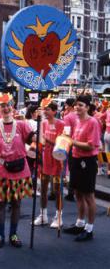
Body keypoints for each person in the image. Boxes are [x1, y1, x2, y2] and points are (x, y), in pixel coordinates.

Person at [0, 93, 33, 248]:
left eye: (8, 105)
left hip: (20, 170)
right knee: (0, 204)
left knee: (16, 203)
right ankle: (0, 235)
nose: (5, 108)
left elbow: (35, 142)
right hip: (0, 171)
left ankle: (13, 234)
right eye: (2, 106)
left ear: (12, 107)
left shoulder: (22, 125)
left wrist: (39, 126)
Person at [63, 95, 100, 241]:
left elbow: (91, 145)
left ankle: (89, 229)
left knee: (89, 195)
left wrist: (72, 142)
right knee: (78, 193)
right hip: (76, 159)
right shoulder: (78, 121)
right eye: (76, 105)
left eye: (81, 105)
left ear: (87, 107)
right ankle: (80, 223)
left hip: (88, 161)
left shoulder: (93, 122)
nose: (77, 107)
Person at [34, 100, 65, 228]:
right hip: (45, 159)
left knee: (57, 190)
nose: (45, 111)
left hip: (57, 160)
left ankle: (59, 217)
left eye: (47, 109)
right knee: (44, 188)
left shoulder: (61, 124)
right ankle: (43, 215)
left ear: (54, 111)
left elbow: (61, 143)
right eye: (44, 109)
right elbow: (40, 141)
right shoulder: (43, 123)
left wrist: (46, 139)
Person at [63, 98, 77, 202]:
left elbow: (67, 133)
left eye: (66, 105)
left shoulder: (68, 117)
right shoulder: (80, 115)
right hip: (81, 144)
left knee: (70, 169)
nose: (65, 107)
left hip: (71, 144)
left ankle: (70, 193)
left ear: (70, 106)